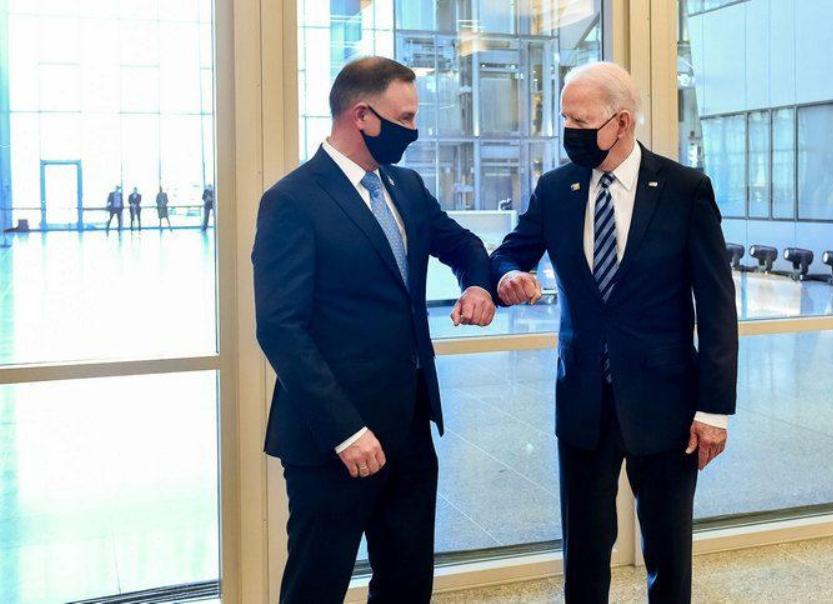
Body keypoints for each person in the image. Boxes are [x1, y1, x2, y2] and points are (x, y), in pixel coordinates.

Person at [490, 61, 739, 603]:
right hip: (583, 400)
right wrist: (509, 274)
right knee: (583, 552)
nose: (569, 132)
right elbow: (511, 251)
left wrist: (715, 409)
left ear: (622, 122)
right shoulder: (556, 189)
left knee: (668, 551)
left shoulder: (684, 189)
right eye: (564, 119)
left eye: (581, 122)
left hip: (666, 403)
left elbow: (718, 305)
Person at [252, 56, 496, 603]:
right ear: (361, 115)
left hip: (409, 430)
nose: (414, 129)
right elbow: (280, 327)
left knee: (407, 583)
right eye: (405, 118)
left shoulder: (405, 187)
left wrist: (477, 284)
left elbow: (461, 243)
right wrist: (346, 431)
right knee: (316, 586)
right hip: (332, 440)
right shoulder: (292, 200)